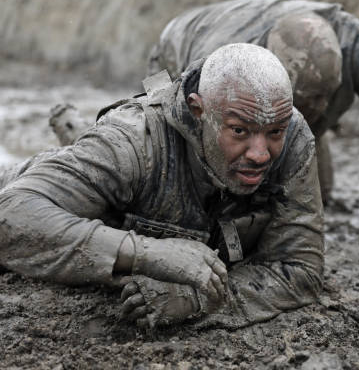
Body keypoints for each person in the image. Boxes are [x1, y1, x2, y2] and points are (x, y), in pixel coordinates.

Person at [0, 43, 324, 329]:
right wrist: (149, 254)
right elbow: (12, 216)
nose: (260, 153)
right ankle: (73, 131)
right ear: (199, 111)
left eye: (274, 133)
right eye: (239, 131)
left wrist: (199, 299)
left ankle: (74, 131)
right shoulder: (132, 141)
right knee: (104, 165)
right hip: (39, 180)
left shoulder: (291, 134)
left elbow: (300, 270)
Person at [146, 0, 359, 250]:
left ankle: (319, 192)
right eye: (300, 103)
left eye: (321, 101)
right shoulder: (225, 61)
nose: (310, 115)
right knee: (170, 132)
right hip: (174, 45)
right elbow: (191, 131)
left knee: (301, 163)